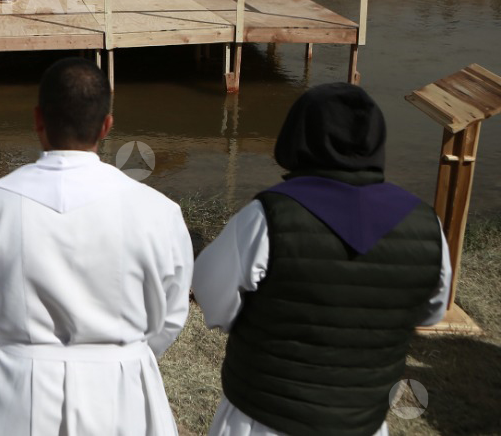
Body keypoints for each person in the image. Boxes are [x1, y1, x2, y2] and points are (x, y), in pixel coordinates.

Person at [0, 57, 192, 435]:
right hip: (120, 391)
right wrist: (121, 353)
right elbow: (169, 316)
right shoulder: (159, 212)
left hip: (13, 391)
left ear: (37, 119)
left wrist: (14, 349)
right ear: (107, 125)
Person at [193, 83, 450, 436]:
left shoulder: (268, 215)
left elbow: (210, 295)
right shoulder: (426, 224)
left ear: (297, 136)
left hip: (264, 418)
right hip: (363, 423)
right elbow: (430, 311)